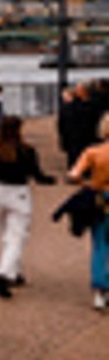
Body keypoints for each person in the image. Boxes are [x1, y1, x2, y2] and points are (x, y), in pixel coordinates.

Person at [0, 116, 54, 299]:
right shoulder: (27, 150)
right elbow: (37, 176)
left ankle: (14, 273)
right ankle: (3, 274)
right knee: (17, 236)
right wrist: (52, 180)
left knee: (7, 236)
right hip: (18, 194)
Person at [67, 113, 109, 311]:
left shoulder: (92, 152)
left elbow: (73, 174)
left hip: (100, 198)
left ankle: (100, 291)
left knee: (100, 245)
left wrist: (88, 183)